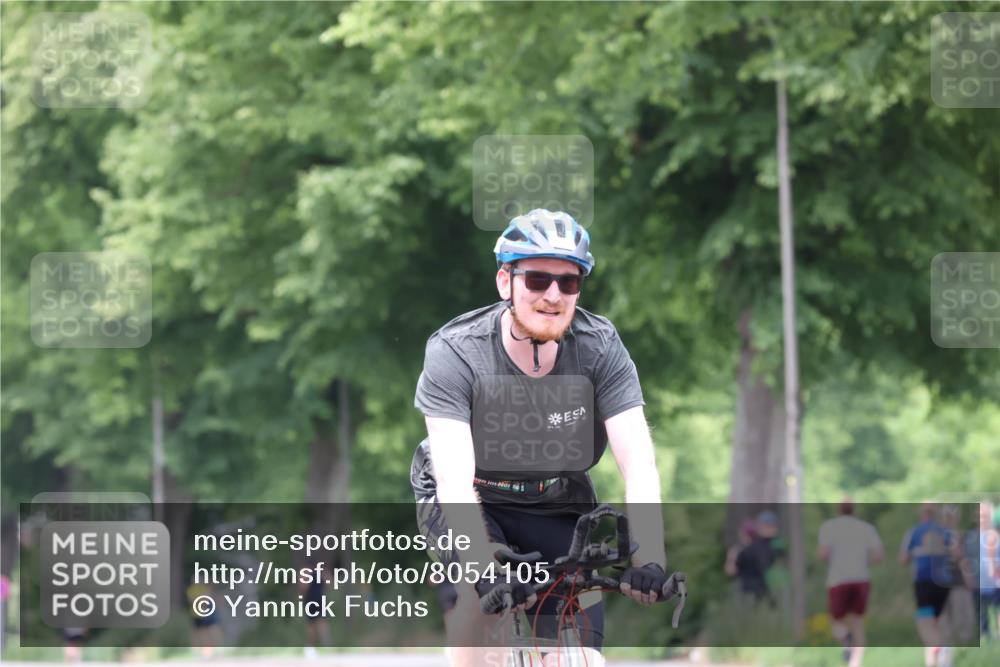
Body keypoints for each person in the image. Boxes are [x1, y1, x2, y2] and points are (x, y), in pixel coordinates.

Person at [410, 209, 668, 667]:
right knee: (480, 604)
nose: (553, 296)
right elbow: (454, 479)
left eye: (568, 283)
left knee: (583, 656)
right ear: (505, 283)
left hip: (554, 496)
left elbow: (639, 465)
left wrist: (649, 559)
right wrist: (483, 571)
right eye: (537, 280)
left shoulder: (600, 347)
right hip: (473, 496)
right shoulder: (455, 351)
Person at [818, 498, 884, 667]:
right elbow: (878, 557)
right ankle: (855, 664)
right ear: (855, 510)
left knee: (836, 622)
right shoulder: (867, 528)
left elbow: (823, 555)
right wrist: (862, 561)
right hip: (861, 580)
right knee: (858, 623)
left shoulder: (829, 527)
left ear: (838, 509)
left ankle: (845, 636)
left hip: (838, 580)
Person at [899, 502, 954, 667]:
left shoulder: (914, 532)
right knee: (940, 621)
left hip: (923, 583)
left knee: (924, 621)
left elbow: (903, 559)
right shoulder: (945, 532)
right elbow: (957, 554)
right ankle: (940, 659)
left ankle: (936, 650)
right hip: (943, 583)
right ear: (935, 514)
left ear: (921, 514)